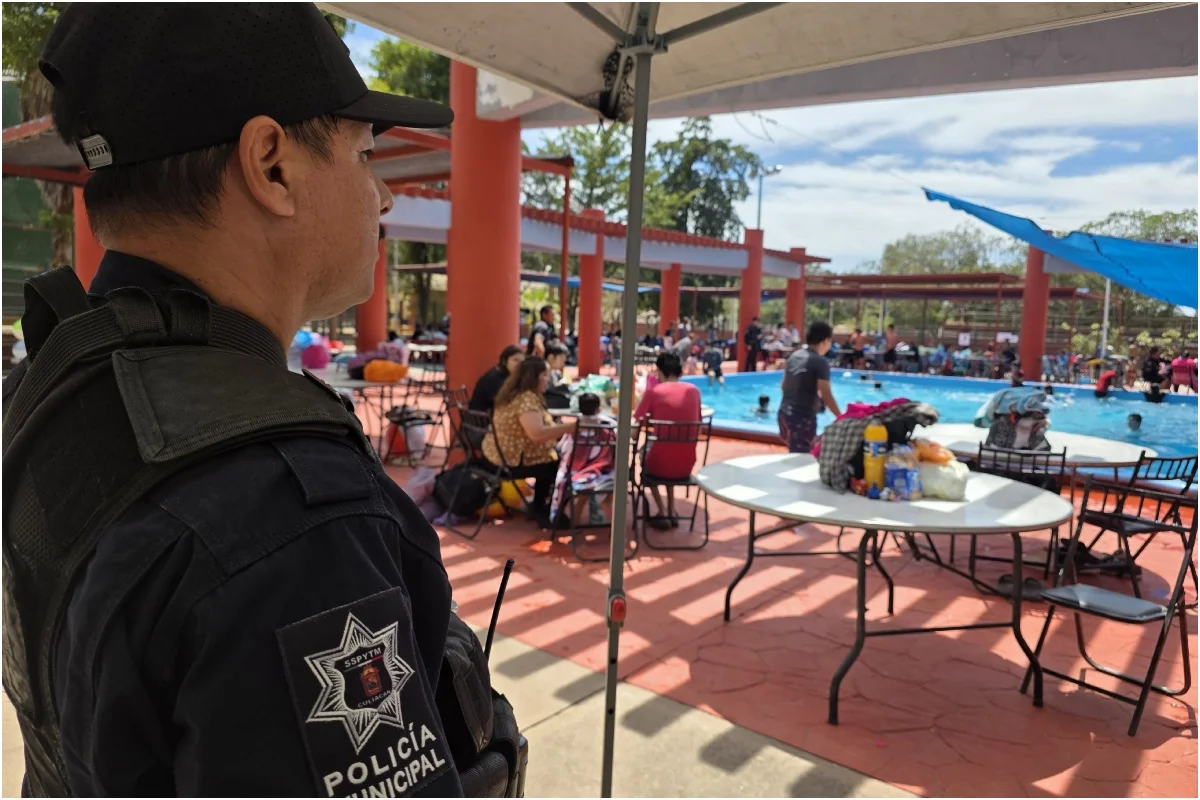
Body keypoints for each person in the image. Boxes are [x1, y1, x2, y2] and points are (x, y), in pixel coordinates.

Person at [3, 5, 485, 798]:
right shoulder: (293, 517)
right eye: (365, 156)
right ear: (271, 166)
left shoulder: (46, 389)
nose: (382, 198)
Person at [483, 358, 575, 520]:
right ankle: (545, 511)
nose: (548, 379)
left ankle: (540, 506)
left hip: (496, 454)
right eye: (545, 375)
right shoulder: (526, 399)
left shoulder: (511, 394)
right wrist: (572, 427)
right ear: (534, 378)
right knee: (562, 464)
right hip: (511, 461)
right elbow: (537, 434)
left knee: (555, 456)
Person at [634, 352, 703, 529]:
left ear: (659, 371)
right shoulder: (694, 391)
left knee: (645, 455)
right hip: (686, 466)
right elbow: (699, 428)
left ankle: (662, 510)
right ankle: (671, 509)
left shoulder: (654, 391)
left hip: (658, 466)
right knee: (669, 447)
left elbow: (636, 426)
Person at [779, 322, 841, 453]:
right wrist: (841, 417)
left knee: (795, 452)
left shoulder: (794, 356)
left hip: (783, 414)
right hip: (801, 419)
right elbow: (826, 394)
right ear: (825, 341)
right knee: (802, 457)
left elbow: (783, 386)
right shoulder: (820, 362)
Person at [469, 344, 524, 413]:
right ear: (504, 361)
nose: (519, 364)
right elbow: (504, 401)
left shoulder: (505, 374)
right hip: (482, 417)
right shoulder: (494, 378)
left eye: (521, 362)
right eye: (515, 360)